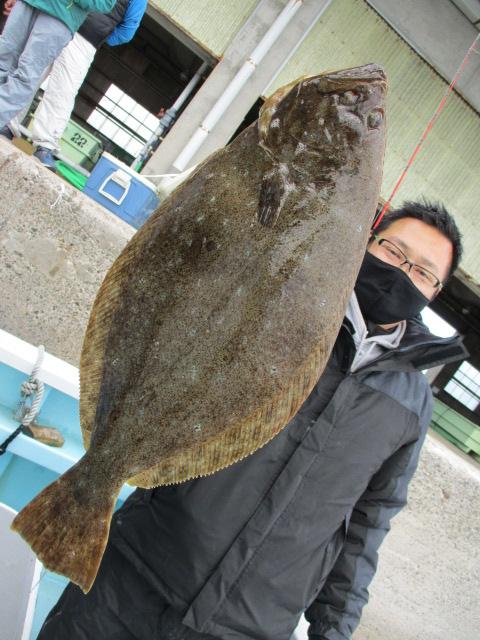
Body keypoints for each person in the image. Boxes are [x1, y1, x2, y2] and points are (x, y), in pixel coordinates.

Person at [37, 200, 465, 640]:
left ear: (434, 293)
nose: (403, 272)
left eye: (423, 272)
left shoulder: (412, 403)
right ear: (367, 242)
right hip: (134, 577)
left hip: (249, 627)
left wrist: (333, 630)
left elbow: (367, 524)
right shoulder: (282, 306)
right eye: (394, 252)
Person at [13, 0, 147, 172]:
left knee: (35, 76)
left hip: (71, 28)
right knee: (50, 85)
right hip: (74, 30)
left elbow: (127, 31)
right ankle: (39, 144)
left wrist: (100, 35)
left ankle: (26, 133)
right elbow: (128, 31)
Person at [0, 0, 116, 134]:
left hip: (61, 15)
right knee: (3, 60)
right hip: (28, 3)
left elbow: (105, 4)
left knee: (25, 75)